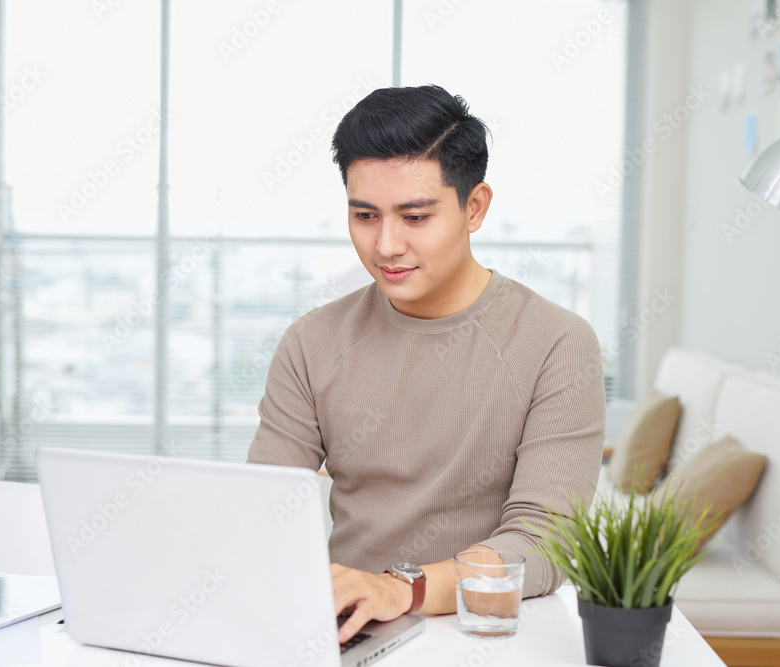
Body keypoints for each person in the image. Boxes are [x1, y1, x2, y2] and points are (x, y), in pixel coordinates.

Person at [246, 84, 605, 643]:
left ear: (475, 207)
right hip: (344, 632)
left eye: (414, 217)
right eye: (365, 215)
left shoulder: (556, 342)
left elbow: (547, 540)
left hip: (485, 633)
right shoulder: (311, 341)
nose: (386, 245)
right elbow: (262, 512)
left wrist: (402, 588)